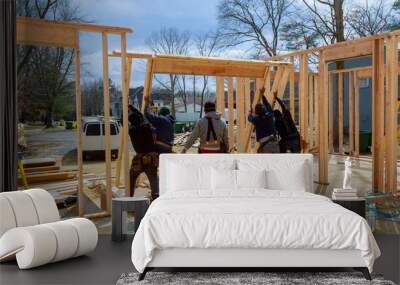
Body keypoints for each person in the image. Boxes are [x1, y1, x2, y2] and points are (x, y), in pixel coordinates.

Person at [127, 104, 159, 201]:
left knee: (131, 177)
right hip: (151, 158)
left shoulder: (131, 130)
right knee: (153, 180)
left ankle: (129, 197)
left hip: (139, 160)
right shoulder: (147, 127)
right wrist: (131, 106)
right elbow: (141, 116)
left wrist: (125, 107)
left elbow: (123, 120)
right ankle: (155, 199)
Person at [247, 87, 279, 153]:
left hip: (265, 146)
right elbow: (267, 105)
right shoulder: (270, 115)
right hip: (275, 144)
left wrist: (250, 112)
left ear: (256, 113)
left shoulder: (256, 120)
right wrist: (262, 95)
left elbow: (249, 118)